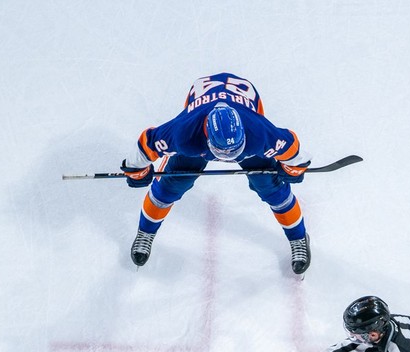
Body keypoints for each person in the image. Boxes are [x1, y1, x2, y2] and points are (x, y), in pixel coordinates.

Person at [119, 72, 314, 274]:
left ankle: (299, 237)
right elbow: (147, 143)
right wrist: (136, 168)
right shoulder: (184, 134)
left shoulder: (259, 132)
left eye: (234, 151)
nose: (229, 157)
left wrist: (294, 166)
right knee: (169, 188)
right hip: (200, 132)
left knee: (272, 189)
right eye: (223, 153)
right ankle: (145, 232)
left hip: (245, 118)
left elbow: (292, 148)